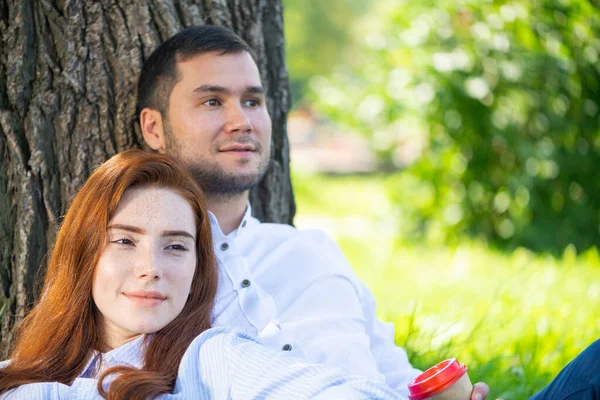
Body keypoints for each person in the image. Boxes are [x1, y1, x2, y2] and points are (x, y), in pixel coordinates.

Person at [137, 24, 488, 398]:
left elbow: (398, 375)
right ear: (154, 128)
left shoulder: (311, 251)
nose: (242, 121)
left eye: (253, 102)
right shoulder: (145, 274)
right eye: (212, 102)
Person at [0, 150, 403, 399]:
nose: (151, 269)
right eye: (124, 241)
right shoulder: (18, 376)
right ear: (82, 253)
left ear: (198, 267)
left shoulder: (213, 360)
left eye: (175, 246)